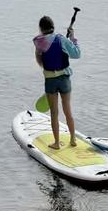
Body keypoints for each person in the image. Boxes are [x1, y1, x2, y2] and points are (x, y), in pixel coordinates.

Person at [33, 16, 81, 150]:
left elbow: (40, 61)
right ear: (53, 26)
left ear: (41, 28)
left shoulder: (38, 42)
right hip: (64, 79)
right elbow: (77, 54)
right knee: (67, 110)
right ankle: (72, 140)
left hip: (50, 81)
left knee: (54, 113)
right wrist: (72, 38)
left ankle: (56, 143)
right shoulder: (62, 39)